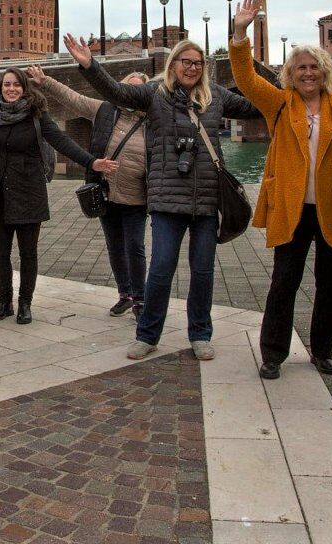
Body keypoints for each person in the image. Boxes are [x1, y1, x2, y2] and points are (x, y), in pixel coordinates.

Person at [67, 34, 262, 361]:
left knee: (202, 272)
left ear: (204, 68)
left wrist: (275, 72)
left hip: (206, 200)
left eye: (197, 63)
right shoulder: (155, 95)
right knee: (160, 269)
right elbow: (117, 92)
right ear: (173, 65)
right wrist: (89, 65)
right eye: (185, 61)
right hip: (166, 201)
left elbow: (257, 105)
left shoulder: (216, 96)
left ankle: (200, 334)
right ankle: (147, 334)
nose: (191, 67)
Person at [230, 0, 332, 380]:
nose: (308, 73)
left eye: (314, 67)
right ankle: (273, 353)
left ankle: (322, 351)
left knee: (330, 285)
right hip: (293, 207)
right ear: (291, 74)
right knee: (283, 282)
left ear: (324, 71)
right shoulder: (279, 104)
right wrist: (240, 31)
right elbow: (245, 78)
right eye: (301, 68)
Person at [0, 51, 119, 325]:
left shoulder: (37, 114)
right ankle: (4, 301)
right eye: (7, 85)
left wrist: (91, 162)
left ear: (24, 88)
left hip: (29, 191)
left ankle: (25, 303)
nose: (11, 89)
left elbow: (61, 140)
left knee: (28, 253)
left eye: (16, 85)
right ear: (1, 88)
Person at [26, 64, 150, 319]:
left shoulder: (152, 120)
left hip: (136, 195)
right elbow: (74, 99)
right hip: (105, 192)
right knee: (115, 246)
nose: (133, 95)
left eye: (139, 91)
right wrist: (45, 81)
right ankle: (125, 294)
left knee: (135, 246)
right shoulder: (106, 110)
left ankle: (141, 299)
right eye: (129, 88)